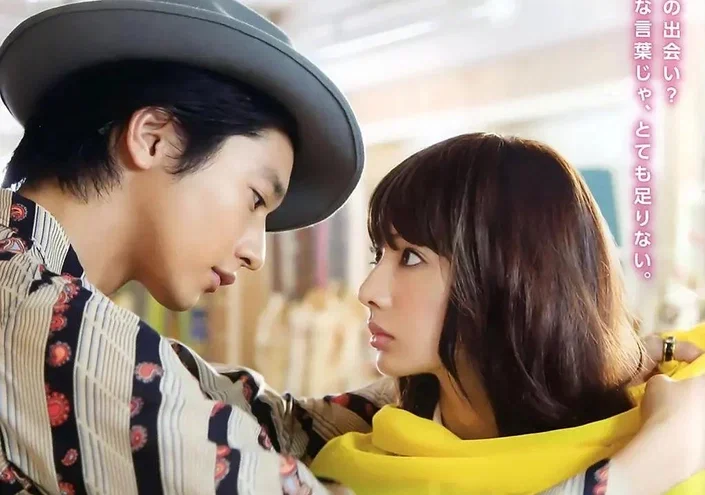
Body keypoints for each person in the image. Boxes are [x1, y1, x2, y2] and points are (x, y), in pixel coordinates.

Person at [0, 1, 700, 494]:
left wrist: (599, 352)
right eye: (255, 197)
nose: (255, 252)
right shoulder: (37, 320)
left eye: (411, 256)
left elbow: (275, 423)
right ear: (154, 138)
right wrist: (637, 473)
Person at [310, 133, 705, 494]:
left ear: (513, 276)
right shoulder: (350, 473)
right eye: (379, 254)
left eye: (410, 257)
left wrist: (616, 361)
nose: (367, 292)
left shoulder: (682, 442)